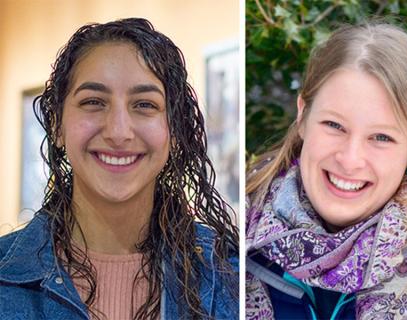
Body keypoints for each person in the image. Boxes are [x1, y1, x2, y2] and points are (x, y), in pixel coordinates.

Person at [0, 18, 238, 320]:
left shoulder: (230, 277)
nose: (118, 131)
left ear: (174, 132)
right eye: (94, 102)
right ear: (57, 125)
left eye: (144, 105)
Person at [245, 22, 407, 320]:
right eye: (334, 125)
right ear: (303, 116)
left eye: (382, 137)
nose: (350, 159)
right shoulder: (233, 250)